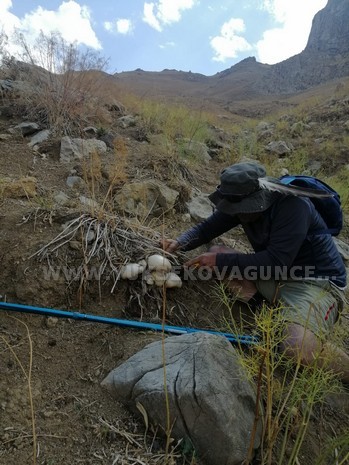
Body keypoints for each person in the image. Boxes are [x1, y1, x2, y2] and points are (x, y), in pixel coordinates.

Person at [162, 162, 349, 383]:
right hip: (275, 276)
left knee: (296, 347)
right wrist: (178, 243)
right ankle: (268, 312)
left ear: (259, 196)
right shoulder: (238, 202)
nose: (239, 214)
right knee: (215, 257)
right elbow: (206, 229)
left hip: (315, 283)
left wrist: (220, 260)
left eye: (244, 209)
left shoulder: (294, 206)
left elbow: (276, 262)